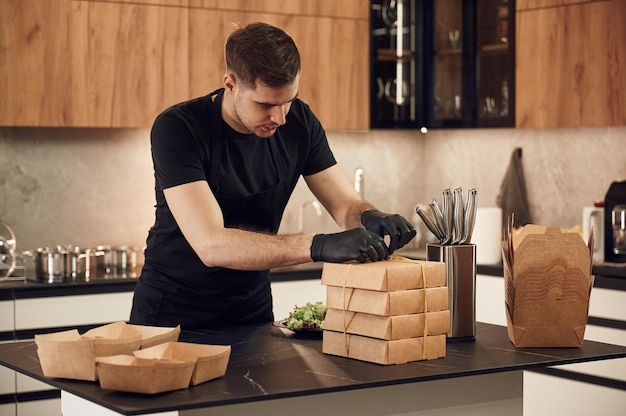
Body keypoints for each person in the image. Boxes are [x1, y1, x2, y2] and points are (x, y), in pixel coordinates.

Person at [129, 22, 416, 329]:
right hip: (173, 315)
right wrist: (318, 245)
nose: (279, 118)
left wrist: (369, 215)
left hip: (252, 313)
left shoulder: (300, 121)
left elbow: (345, 205)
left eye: (287, 101)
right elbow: (211, 244)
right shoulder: (179, 128)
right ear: (230, 85)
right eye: (265, 105)